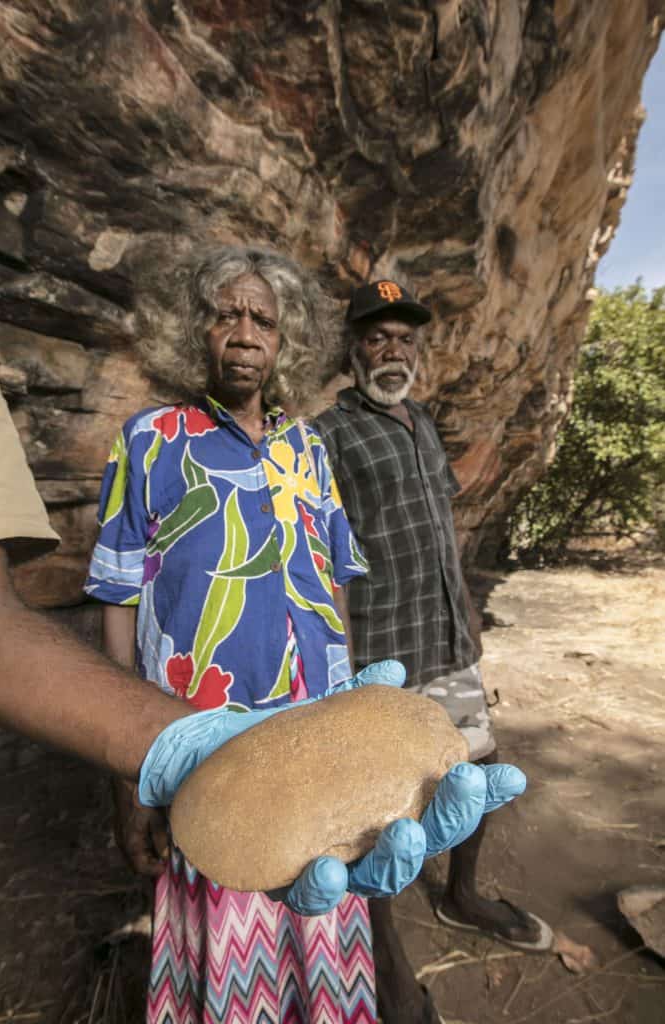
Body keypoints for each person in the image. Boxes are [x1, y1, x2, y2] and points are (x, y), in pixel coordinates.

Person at [83, 248, 526, 1024]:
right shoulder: (149, 440)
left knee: (324, 905)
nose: (246, 331)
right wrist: (126, 771)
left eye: (264, 318)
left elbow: (333, 582)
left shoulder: (305, 449)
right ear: (194, 332)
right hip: (197, 737)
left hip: (312, 728)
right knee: (228, 915)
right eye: (227, 313)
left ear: (285, 342)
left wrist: (351, 706)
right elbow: (117, 596)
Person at [315, 280, 554, 1023]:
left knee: (478, 768)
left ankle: (460, 895)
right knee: (382, 810)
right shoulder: (328, 434)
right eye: (378, 337)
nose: (393, 350)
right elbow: (321, 552)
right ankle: (386, 970)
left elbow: (441, 516)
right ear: (353, 347)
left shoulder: (419, 420)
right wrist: (341, 663)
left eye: (405, 339)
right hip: (381, 651)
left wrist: (467, 613)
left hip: (447, 636)